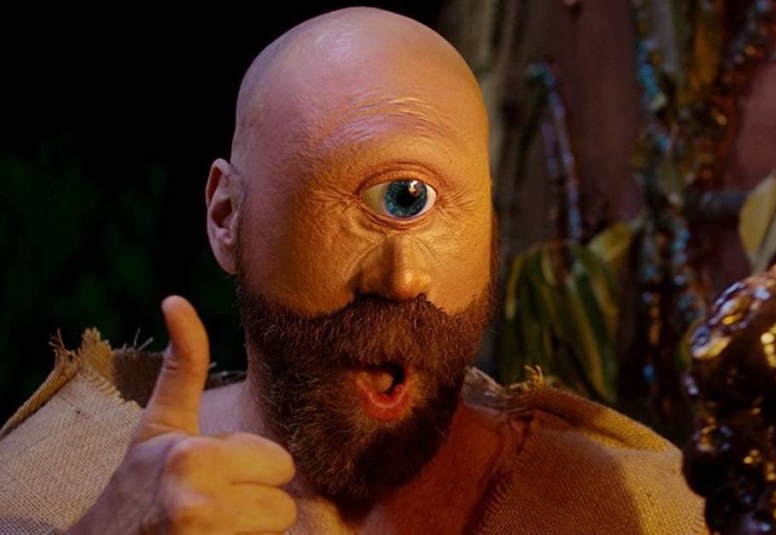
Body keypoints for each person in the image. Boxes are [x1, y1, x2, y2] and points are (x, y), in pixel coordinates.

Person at [0, 7, 705, 534]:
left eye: (423, 201)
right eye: (376, 202)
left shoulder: (636, 508)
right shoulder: (53, 480)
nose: (401, 278)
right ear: (226, 217)